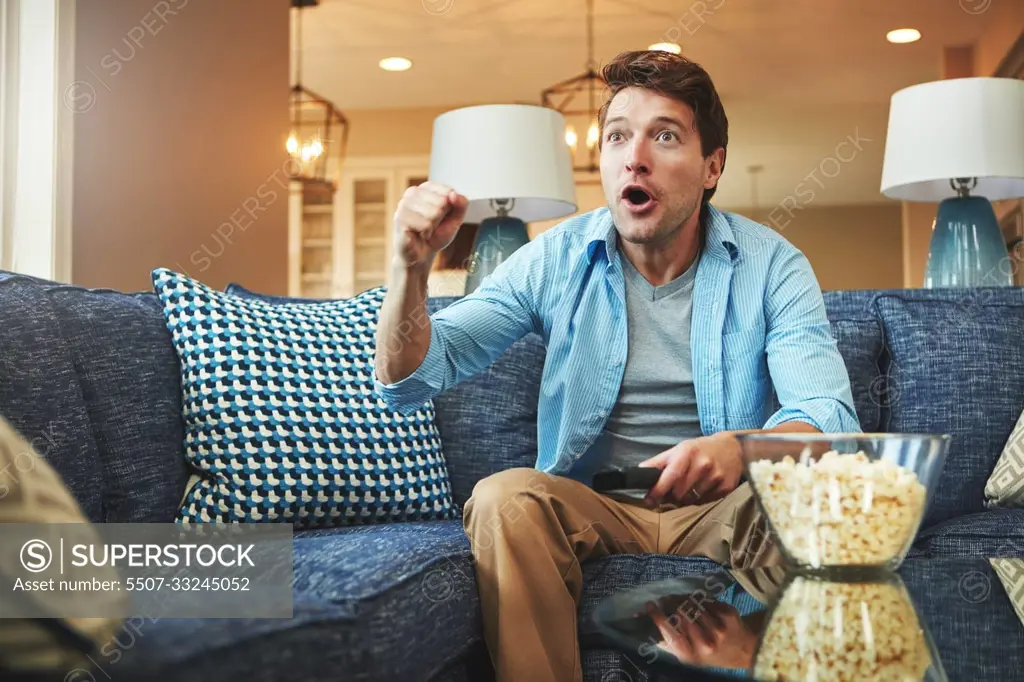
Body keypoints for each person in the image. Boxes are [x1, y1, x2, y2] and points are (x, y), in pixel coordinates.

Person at [373, 50, 858, 682]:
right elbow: (413, 376)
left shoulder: (774, 266)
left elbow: (828, 420)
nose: (636, 156)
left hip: (728, 508)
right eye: (618, 136)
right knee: (503, 498)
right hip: (595, 503)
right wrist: (407, 268)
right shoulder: (555, 257)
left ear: (712, 167)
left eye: (665, 136)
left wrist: (740, 450)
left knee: (820, 499)